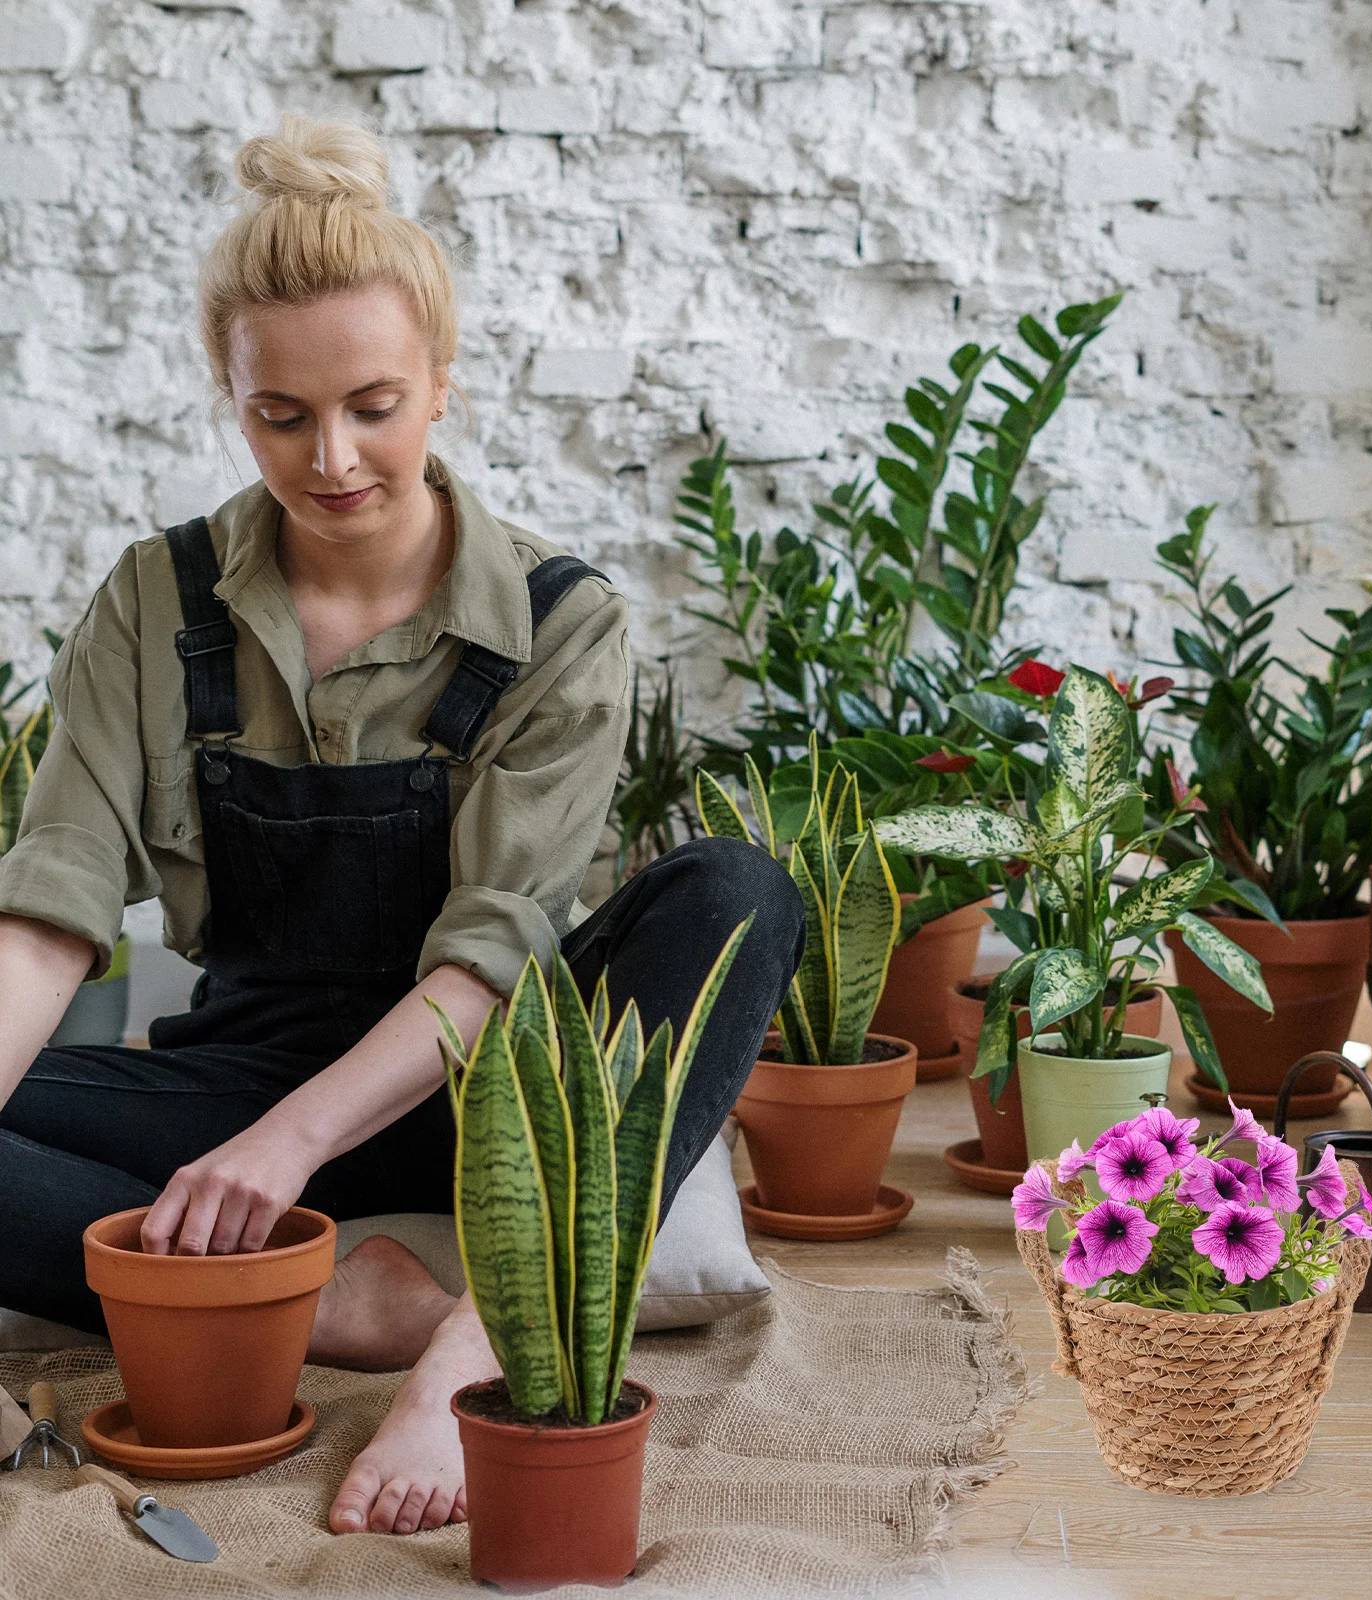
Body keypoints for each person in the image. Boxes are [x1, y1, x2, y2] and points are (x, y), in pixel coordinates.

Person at [0, 117, 803, 1537]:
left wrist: (287, 1151)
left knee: (739, 889)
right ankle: (332, 1303)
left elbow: (492, 956)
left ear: (442, 380)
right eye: (281, 416)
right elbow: (52, 909)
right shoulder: (152, 603)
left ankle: (476, 1342)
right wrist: (256, 1134)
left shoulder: (558, 623)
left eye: (375, 404)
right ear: (229, 397)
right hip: (238, 1078)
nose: (334, 458)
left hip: (496, 1097)